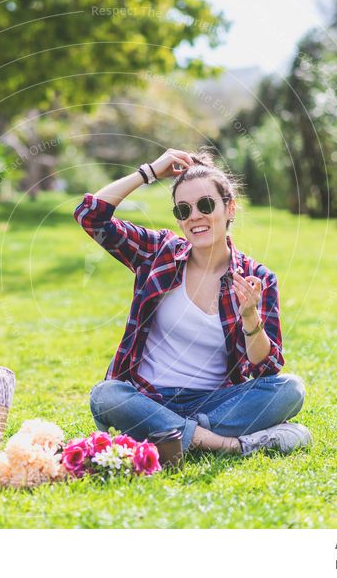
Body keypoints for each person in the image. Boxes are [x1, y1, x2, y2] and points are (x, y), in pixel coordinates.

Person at [73, 148, 312, 457]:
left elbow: (266, 369)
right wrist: (149, 173)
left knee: (290, 390)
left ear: (230, 209)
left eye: (205, 205)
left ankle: (170, 434)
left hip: (215, 401)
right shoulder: (159, 251)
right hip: (148, 397)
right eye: (183, 210)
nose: (195, 216)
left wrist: (250, 317)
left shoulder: (255, 277)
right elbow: (90, 215)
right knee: (107, 396)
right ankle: (230, 444)